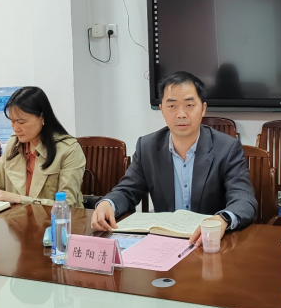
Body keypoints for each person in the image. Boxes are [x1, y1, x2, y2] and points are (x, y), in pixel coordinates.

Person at [91, 71, 257, 246]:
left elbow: (244, 200)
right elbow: (127, 190)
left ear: (203, 109)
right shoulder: (147, 147)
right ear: (162, 110)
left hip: (209, 243)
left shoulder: (227, 148)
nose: (181, 114)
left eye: (189, 105)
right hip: (165, 243)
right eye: (172, 106)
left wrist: (221, 220)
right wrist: (107, 204)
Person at [0, 87, 85, 208]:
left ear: (42, 117)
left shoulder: (69, 149)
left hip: (53, 222)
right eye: (12, 121)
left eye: (21, 122)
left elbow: (68, 205)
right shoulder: (14, 143)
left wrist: (19, 199)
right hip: (18, 220)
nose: (15, 128)